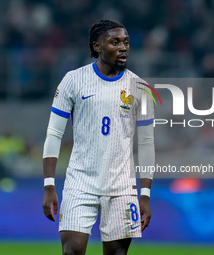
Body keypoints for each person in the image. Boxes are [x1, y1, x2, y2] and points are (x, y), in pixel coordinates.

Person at [42, 19, 155, 255]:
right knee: (72, 250)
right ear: (97, 47)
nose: (123, 47)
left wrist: (145, 194)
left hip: (122, 186)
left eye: (126, 42)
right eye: (115, 42)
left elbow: (146, 143)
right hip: (79, 183)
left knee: (117, 253)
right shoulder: (73, 80)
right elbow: (54, 133)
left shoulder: (141, 88)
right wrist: (49, 185)